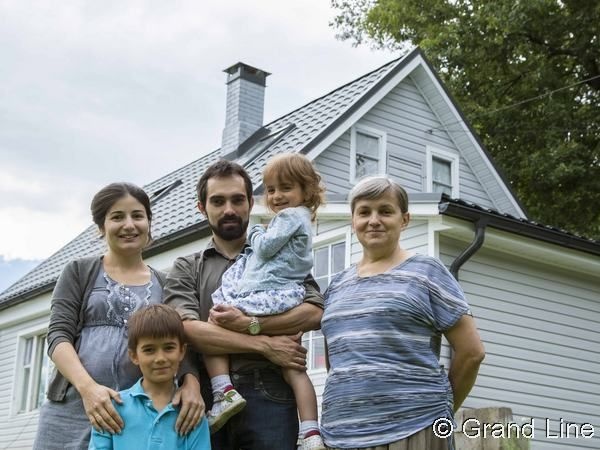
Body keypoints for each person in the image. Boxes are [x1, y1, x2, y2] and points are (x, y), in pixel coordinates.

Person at [164, 159, 324, 450]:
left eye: (237, 200)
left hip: (272, 393)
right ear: (202, 207)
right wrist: (264, 344)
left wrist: (253, 323)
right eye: (218, 201)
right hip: (207, 396)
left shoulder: (284, 258)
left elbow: (314, 312)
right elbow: (187, 330)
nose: (229, 209)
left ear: (251, 203)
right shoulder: (187, 267)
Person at [320, 176, 486, 450]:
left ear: (404, 220)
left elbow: (472, 352)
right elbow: (336, 362)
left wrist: (439, 409)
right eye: (364, 212)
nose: (374, 220)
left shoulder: (427, 272)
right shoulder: (336, 286)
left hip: (414, 429)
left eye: (385, 211)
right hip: (339, 435)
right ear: (353, 221)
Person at [33, 182, 203, 450]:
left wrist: (191, 383)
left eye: (137, 216)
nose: (129, 225)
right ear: (101, 226)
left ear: (149, 222)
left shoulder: (166, 284)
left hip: (130, 417)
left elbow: (183, 343)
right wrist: (89, 390)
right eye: (117, 217)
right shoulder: (78, 272)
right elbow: (57, 336)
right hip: (70, 410)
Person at [88, 304, 211, 449]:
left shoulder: (192, 413)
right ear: (134, 356)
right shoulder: (112, 408)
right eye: (149, 350)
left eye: (169, 348)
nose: (160, 358)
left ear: (182, 351)